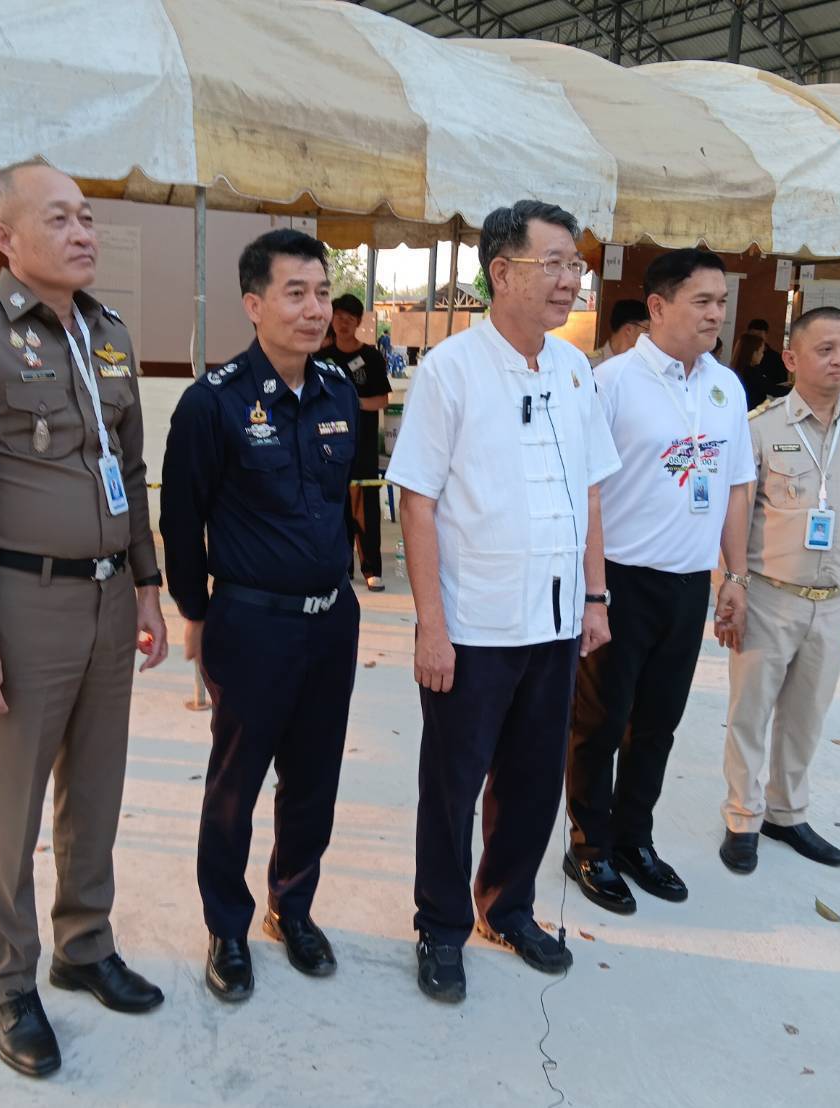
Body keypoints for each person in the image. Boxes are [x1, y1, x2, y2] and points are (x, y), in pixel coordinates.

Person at [0, 160, 169, 1079]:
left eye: (87, 217)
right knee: (13, 808)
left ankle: (84, 945)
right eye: (59, 218)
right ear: (6, 238)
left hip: (108, 598)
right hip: (24, 603)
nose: (83, 232)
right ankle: (9, 982)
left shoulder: (109, 333)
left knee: (95, 790)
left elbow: (128, 468)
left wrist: (147, 583)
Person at [386, 200, 620, 1004]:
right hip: (474, 623)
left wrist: (594, 596)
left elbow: (590, 491)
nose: (569, 279)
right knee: (452, 787)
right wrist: (432, 628)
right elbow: (416, 501)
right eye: (553, 262)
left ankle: (507, 907)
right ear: (501, 272)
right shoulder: (450, 370)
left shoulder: (573, 370)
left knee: (530, 780)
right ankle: (440, 924)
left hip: (553, 622)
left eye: (574, 264)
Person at [160, 229, 361, 1003]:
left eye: (322, 293)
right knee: (235, 786)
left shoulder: (339, 391)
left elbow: (339, 505)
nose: (314, 310)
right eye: (294, 293)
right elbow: (182, 521)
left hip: (330, 622)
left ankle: (293, 908)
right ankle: (226, 926)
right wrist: (196, 610)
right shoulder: (212, 403)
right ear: (253, 304)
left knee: (313, 781)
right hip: (252, 625)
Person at [566, 249, 755, 915]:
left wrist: (733, 574)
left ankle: (632, 839)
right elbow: (585, 492)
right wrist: (592, 591)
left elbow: (737, 485)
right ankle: (588, 845)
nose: (715, 314)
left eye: (721, 302)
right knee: (599, 723)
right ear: (657, 306)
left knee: (657, 725)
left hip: (687, 583)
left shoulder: (725, 387)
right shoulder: (611, 383)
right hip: (620, 580)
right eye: (701, 301)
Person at [717, 306, 840, 875]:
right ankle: (743, 817)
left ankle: (786, 814)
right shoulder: (759, 428)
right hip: (769, 596)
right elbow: (732, 517)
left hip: (834, 600)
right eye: (825, 349)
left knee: (806, 716)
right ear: (791, 359)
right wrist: (730, 588)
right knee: (750, 713)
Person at [326, 292, 392, 592]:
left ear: (358, 322)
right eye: (338, 317)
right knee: (334, 506)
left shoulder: (371, 357)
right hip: (328, 445)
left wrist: (353, 403)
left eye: (349, 318)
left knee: (365, 508)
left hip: (362, 445)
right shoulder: (320, 357)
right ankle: (342, 568)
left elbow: (382, 399)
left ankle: (371, 568)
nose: (343, 323)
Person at [587, 298, 648, 368]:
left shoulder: (643, 366)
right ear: (629, 330)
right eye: (647, 329)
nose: (650, 335)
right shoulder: (589, 364)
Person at [746, 318, 791, 398]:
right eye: (753, 336)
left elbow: (779, 385)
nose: (756, 339)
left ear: (766, 335)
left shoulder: (776, 358)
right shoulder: (744, 360)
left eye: (759, 335)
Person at [729, 330, 769, 409]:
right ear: (753, 353)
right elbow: (771, 389)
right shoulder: (751, 373)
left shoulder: (736, 370)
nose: (762, 355)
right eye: (761, 352)